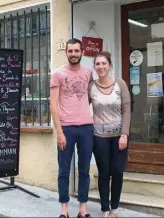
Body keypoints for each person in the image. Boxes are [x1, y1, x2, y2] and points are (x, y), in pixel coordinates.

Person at [50, 38, 94, 218]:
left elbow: (90, 97)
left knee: (84, 169)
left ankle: (83, 209)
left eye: (77, 51)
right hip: (66, 128)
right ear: (66, 52)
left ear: (82, 51)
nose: (74, 54)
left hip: (86, 128)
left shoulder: (89, 72)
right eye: (70, 51)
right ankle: (64, 210)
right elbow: (53, 105)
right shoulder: (57, 74)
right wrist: (59, 132)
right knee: (64, 170)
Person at [88, 51, 131, 218]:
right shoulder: (91, 86)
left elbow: (126, 110)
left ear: (110, 65)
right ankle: (105, 208)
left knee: (118, 172)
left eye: (103, 63)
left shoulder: (121, 84)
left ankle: (115, 207)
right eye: (97, 64)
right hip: (99, 137)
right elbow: (82, 107)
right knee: (104, 172)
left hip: (119, 137)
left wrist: (124, 134)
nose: (100, 67)